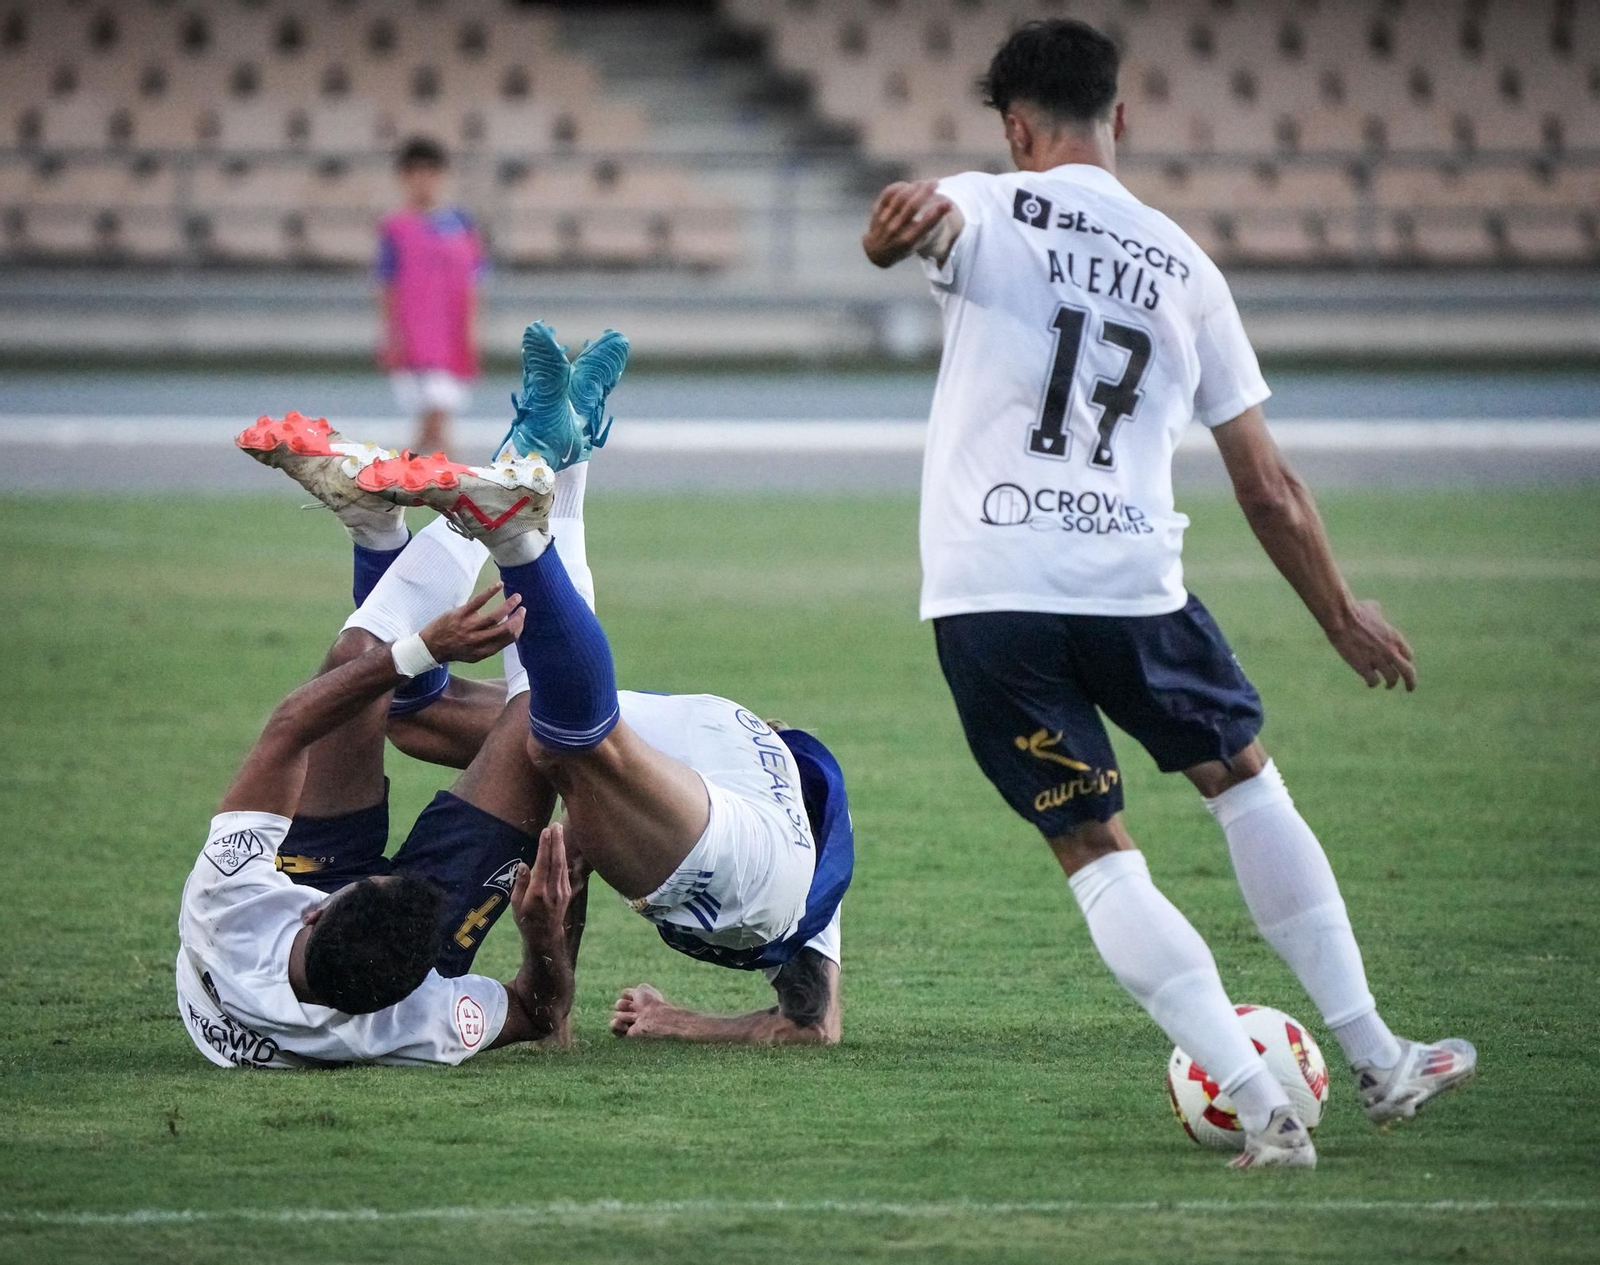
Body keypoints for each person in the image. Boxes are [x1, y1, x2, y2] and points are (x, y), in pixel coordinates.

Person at [859, 18, 1473, 1167]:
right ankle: (1380, 1053)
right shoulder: (1185, 266)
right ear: (1120, 118)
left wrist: (890, 233)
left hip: (990, 592)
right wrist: (1339, 611)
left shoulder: (986, 204)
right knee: (1242, 783)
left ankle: (1260, 1105)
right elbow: (1268, 484)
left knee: (1095, 846)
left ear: (1014, 126)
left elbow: (915, 222)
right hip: (1133, 579)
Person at [227, 323, 850, 1047]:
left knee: (417, 715)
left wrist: (650, 1011)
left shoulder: (754, 839)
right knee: (558, 742)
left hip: (732, 742)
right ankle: (517, 525)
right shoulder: (779, 893)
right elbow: (811, 1025)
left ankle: (544, 457)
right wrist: (654, 1014)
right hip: (748, 842)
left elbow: (572, 872)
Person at [176, 572, 581, 1067]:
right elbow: (539, 1011)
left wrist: (422, 650)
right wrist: (543, 936)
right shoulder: (417, 1019)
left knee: (356, 656)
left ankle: (381, 528)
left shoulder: (225, 904)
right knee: (543, 722)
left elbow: (288, 730)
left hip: (280, 924)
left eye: (372, 883)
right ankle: (529, 530)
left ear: (314, 909)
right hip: (375, 957)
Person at [376, 136, 485, 455]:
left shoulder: (462, 224)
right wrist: (391, 332)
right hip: (415, 333)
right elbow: (387, 283)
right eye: (415, 172)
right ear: (404, 177)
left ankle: (401, 479)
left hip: (452, 333)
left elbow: (475, 281)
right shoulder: (394, 228)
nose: (423, 180)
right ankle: (451, 487)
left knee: (437, 417)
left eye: (430, 171)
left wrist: (472, 329)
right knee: (434, 417)